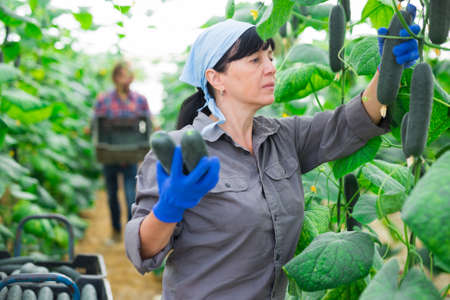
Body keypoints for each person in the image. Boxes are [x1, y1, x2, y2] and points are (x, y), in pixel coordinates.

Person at [124, 10, 420, 299]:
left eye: (270, 57)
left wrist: (387, 68)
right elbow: (144, 253)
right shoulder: (181, 151)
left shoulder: (283, 138)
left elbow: (349, 123)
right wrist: (169, 208)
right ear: (216, 78)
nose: (271, 67)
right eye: (255, 60)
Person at [93, 61, 152, 243]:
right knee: (111, 194)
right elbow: (96, 123)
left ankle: (129, 232)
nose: (126, 78)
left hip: (130, 154)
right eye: (122, 75)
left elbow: (148, 122)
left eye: (128, 75)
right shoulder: (104, 99)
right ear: (115, 77)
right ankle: (116, 230)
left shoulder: (139, 100)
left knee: (129, 194)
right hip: (110, 154)